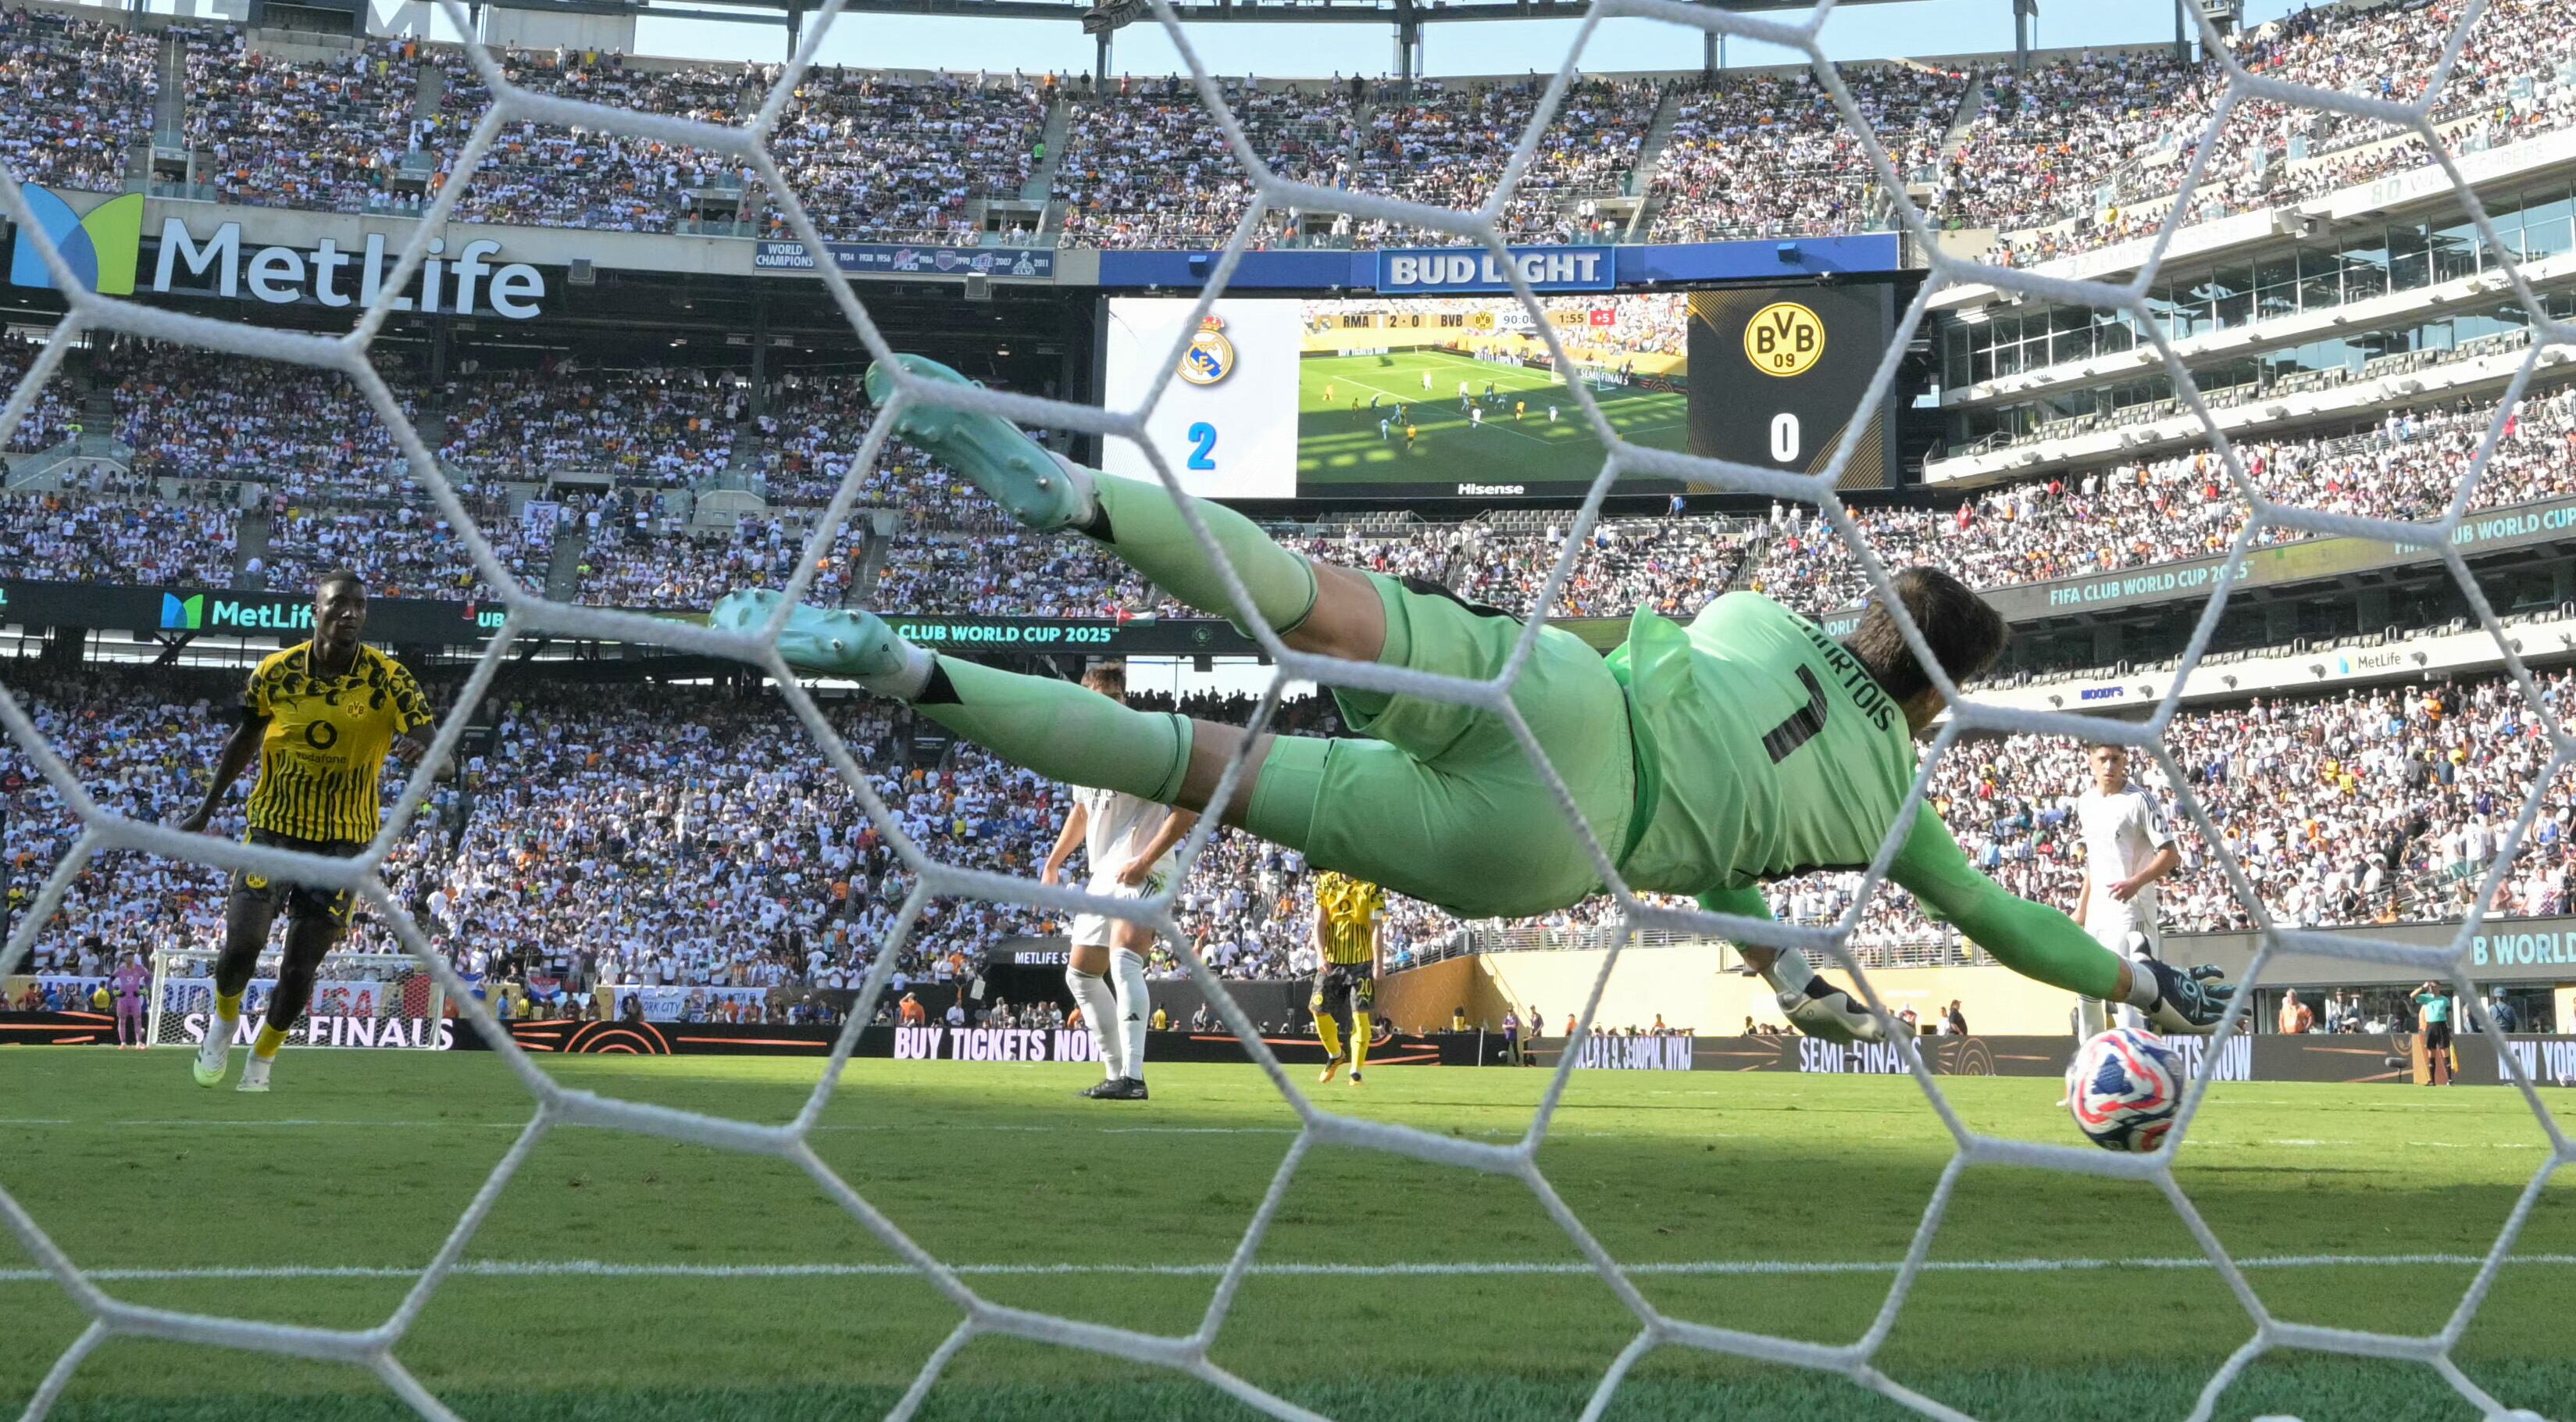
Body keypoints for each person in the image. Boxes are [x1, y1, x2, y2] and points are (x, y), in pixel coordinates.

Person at [719, 356, 2233, 1046]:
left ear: (1866, 615)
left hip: (1564, 693)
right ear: (1947, 698)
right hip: (1559, 845)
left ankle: (1068, 489)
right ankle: (909, 671)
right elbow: (2006, 929)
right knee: (1207, 768)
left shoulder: (1763, 611)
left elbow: (1681, 658)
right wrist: (2143, 987)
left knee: (1307, 602)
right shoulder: (1896, 806)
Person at [180, 571, 436, 1093]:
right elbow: (245, 737)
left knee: (299, 970)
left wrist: (428, 755)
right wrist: (207, 807)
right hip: (272, 832)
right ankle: (224, 1023)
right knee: (241, 947)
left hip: (342, 847)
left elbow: (442, 749)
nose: (351, 613)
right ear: (314, 610)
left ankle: (264, 1058)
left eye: (360, 606)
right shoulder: (274, 673)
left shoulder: (390, 679)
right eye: (339, 603)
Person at [1039, 664, 1196, 1102]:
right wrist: (1054, 862)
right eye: (1098, 699)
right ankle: (1115, 1075)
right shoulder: (1081, 755)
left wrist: (1145, 861)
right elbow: (1083, 812)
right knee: (1082, 976)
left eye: (1114, 699)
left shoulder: (1146, 742)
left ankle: (1133, 1076)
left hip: (1147, 866)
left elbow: (1189, 808)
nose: (1107, 707)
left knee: (1125, 961)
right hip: (1105, 871)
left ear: (1124, 700)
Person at [2068, 744, 2180, 1043]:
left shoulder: (2139, 800)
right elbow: (2096, 860)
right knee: (2086, 988)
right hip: (2098, 911)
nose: (2109, 766)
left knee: (2127, 996)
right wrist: (2081, 909)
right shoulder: (2086, 802)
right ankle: (2089, 1067)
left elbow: (2171, 855)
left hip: (2132, 909)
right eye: (2103, 759)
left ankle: (2134, 1072)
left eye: (2115, 759)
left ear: (2125, 761)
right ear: (2090, 762)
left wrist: (2135, 882)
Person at [1311, 870, 1383, 1084]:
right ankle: (1335, 1054)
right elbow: (1319, 922)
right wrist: (1320, 956)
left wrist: (1379, 964)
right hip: (1332, 961)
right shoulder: (1324, 882)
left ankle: (1356, 1072)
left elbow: (1377, 927)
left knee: (1360, 1017)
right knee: (1318, 1010)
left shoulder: (1373, 886)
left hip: (1362, 962)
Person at [2411, 980, 2454, 1085]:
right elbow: (2412, 995)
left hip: (2442, 1025)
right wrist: (2423, 987)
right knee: (2431, 1053)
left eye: (2434, 986)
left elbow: (2449, 1015)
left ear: (2439, 987)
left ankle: (2449, 1079)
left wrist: (2451, 1028)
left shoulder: (2444, 1000)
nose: (2432, 989)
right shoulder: (2427, 999)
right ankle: (2432, 1080)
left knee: (2445, 1052)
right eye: (2431, 987)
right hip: (2431, 1026)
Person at [111, 952, 149, 1049]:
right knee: (122, 1020)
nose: (130, 959)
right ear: (124, 959)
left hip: (134, 998)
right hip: (123, 999)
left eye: (131, 957)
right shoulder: (120, 970)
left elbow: (149, 978)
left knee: (138, 1019)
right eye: (128, 958)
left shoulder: (139, 968)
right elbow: (109, 980)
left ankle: (139, 1042)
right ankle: (123, 1043)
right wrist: (115, 992)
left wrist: (144, 990)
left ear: (133, 958)